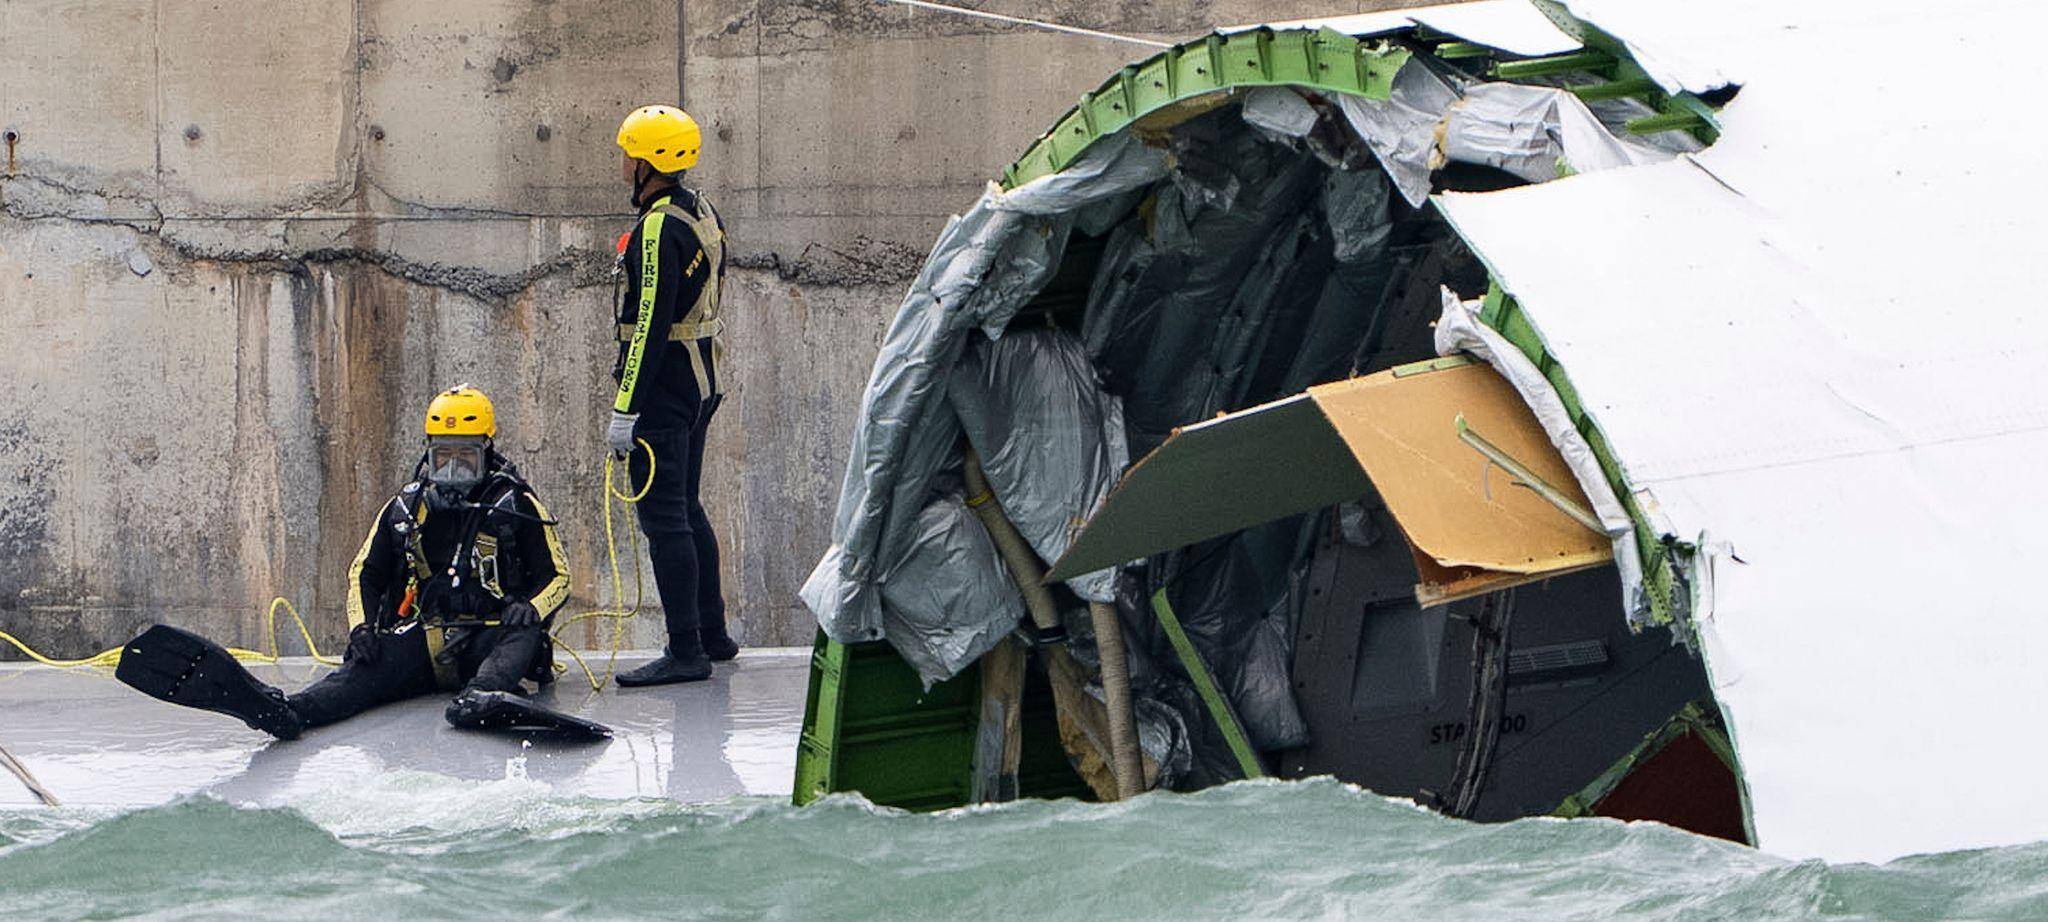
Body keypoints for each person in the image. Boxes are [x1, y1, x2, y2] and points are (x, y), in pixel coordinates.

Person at [116, 386, 605, 741]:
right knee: (359, 676)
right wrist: (362, 629)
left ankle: (482, 699)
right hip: (426, 640)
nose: (452, 470)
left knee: (518, 634)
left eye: (466, 458)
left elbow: (559, 575)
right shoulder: (405, 508)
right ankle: (287, 710)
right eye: (443, 457)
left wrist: (533, 610)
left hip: (491, 638)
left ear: (487, 452)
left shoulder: (516, 505)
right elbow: (363, 574)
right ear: (427, 454)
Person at [607, 104, 738, 687]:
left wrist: (624, 408)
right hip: (701, 380)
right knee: (687, 508)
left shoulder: (659, 228)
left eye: (630, 155)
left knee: (665, 521)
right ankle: (713, 633)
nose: (624, 164)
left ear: (649, 163)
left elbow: (651, 323)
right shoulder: (700, 209)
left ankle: (686, 650)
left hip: (666, 390)